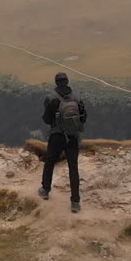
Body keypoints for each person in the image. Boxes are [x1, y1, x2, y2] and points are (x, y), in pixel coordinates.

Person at [38, 72, 86, 212]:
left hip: (57, 135)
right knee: (73, 168)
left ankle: (45, 190)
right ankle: (75, 202)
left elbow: (47, 120)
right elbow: (83, 118)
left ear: (56, 82)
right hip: (72, 137)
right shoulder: (77, 97)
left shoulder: (51, 98)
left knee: (50, 161)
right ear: (67, 81)